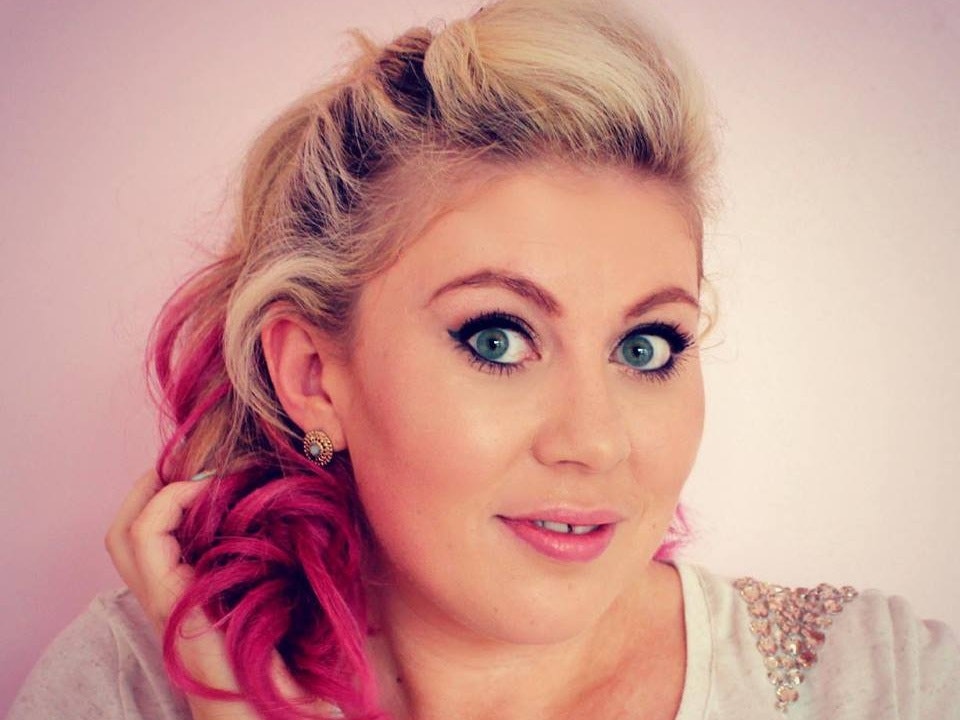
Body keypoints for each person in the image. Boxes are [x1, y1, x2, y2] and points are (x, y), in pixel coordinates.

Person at [7, 0, 959, 718]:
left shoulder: (881, 682)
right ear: (314, 377)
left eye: (646, 346)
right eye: (497, 338)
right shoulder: (132, 684)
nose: (596, 442)